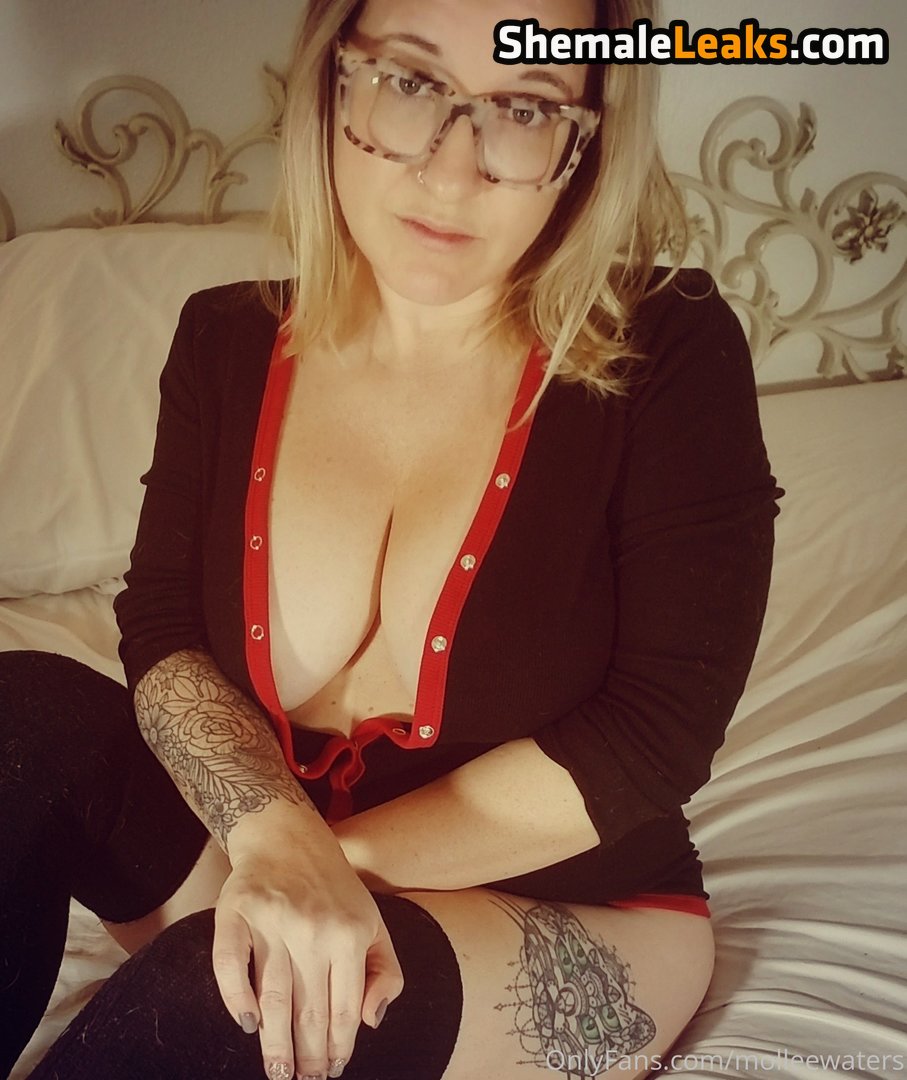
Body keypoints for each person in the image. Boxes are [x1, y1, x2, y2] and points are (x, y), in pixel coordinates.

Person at [0, 0, 784, 1077]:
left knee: (217, 1004)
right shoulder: (224, 336)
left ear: (586, 141)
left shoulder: (669, 347)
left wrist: (314, 867)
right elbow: (163, 622)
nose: (451, 171)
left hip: (568, 914)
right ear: (331, 82)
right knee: (22, 713)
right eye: (410, 83)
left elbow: (654, 734)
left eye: (524, 108)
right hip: (264, 857)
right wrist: (269, 834)